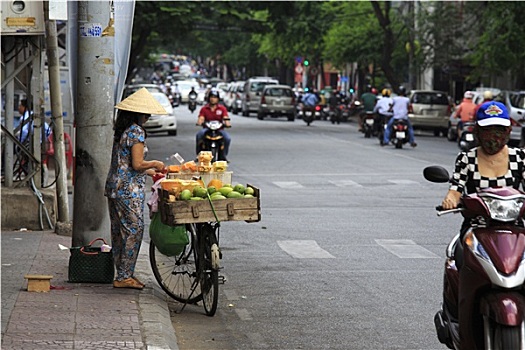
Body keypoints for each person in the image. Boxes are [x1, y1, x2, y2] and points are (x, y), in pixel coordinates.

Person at [441, 101, 524, 265]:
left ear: (508, 131)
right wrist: (450, 200)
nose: (494, 136)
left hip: (514, 229)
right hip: (476, 228)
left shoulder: (520, 157)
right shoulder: (467, 159)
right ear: (477, 131)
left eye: (499, 130)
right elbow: (455, 190)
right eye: (488, 130)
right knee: (462, 259)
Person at [104, 88, 167, 290]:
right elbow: (138, 164)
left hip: (115, 186)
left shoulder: (122, 130)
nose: (147, 118)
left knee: (118, 231)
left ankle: (123, 274)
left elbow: (128, 164)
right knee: (134, 230)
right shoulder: (136, 132)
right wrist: (155, 164)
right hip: (128, 191)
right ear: (138, 114)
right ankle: (123, 276)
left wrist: (152, 173)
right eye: (146, 114)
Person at [196, 88, 231, 160]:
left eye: (215, 97)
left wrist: (227, 123)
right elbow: (201, 118)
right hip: (207, 129)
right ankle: (199, 155)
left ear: (218, 99)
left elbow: (225, 117)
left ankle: (224, 155)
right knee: (199, 135)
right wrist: (200, 122)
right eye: (211, 97)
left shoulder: (222, 108)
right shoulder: (204, 108)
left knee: (227, 138)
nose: (213, 99)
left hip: (219, 129)